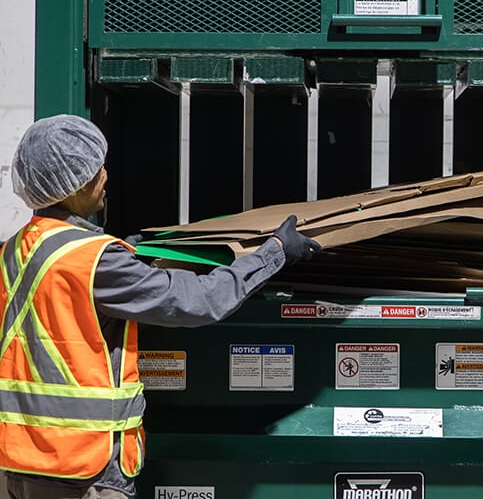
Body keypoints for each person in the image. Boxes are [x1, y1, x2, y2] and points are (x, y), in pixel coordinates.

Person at [0, 114, 321, 499]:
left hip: (22, 466)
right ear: (72, 186)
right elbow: (199, 302)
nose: (103, 176)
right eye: (94, 171)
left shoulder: (13, 251)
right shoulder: (94, 261)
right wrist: (276, 253)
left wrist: (126, 253)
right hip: (83, 472)